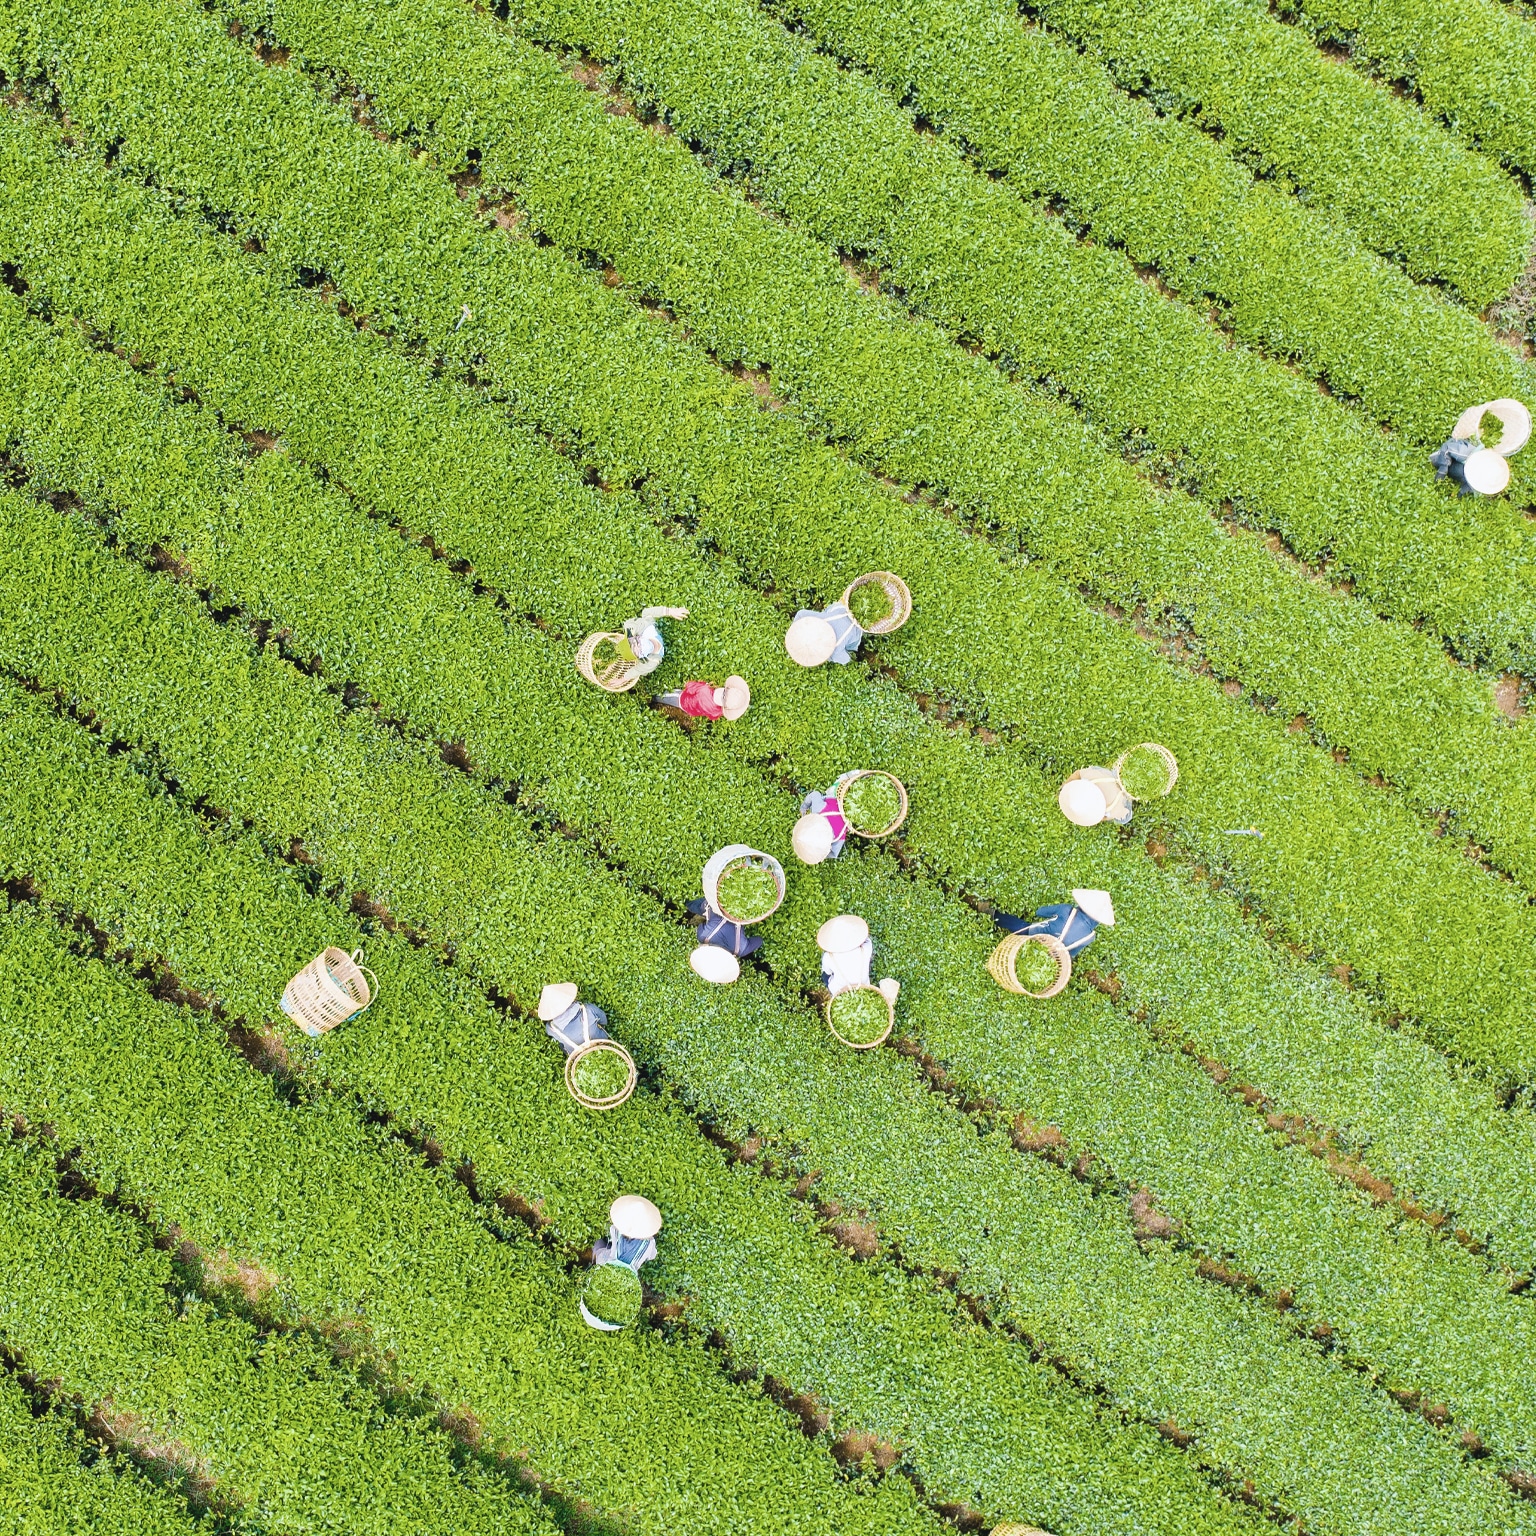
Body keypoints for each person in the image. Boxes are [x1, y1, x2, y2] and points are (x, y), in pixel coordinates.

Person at [993, 889, 1115, 958]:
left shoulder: (1066, 909)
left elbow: (1040, 912)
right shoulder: (1090, 937)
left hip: (1035, 936)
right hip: (1052, 956)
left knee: (1022, 927)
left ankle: (993, 914)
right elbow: (1070, 954)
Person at [537, 981, 612, 1057]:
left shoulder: (551, 1028)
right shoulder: (587, 1009)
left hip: (579, 1057)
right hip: (604, 1043)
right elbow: (604, 1019)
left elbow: (560, 1046)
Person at [592, 1194, 663, 1270]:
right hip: (629, 1272)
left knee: (599, 1243)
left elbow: (613, 1231)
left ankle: (593, 1262)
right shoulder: (649, 1243)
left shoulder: (615, 1230)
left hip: (609, 1264)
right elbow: (651, 1256)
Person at [616, 606, 689, 677]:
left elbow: (647, 612)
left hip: (634, 626)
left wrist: (670, 611)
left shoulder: (647, 627)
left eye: (637, 642)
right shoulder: (653, 661)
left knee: (628, 625)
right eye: (638, 652)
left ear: (638, 636)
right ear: (640, 657)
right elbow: (637, 670)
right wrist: (624, 677)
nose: (640, 646)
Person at [785, 601, 862, 667]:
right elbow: (800, 614)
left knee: (853, 643)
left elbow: (846, 659)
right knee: (829, 610)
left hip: (857, 627)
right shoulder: (809, 617)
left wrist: (830, 657)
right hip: (841, 609)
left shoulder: (835, 652)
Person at [685, 898, 764, 959]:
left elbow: (759, 940)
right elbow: (701, 925)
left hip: (742, 910)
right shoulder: (702, 937)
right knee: (693, 906)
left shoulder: (740, 950)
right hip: (718, 901)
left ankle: (687, 903)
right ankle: (687, 903)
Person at [1429, 437, 1510, 496]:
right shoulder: (1464, 453)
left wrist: (1459, 493)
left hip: (1465, 470)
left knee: (1469, 487)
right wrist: (1443, 468)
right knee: (1436, 460)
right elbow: (1446, 448)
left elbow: (1474, 485)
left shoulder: (1487, 480)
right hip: (1448, 456)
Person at [791, 785, 850, 864]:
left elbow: (834, 854)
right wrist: (804, 807)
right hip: (835, 804)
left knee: (835, 790)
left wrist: (824, 854)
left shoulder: (838, 838)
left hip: (839, 798)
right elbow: (815, 794)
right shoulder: (819, 808)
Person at [1058, 767, 1132, 828]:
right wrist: (1067, 785)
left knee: (1125, 818)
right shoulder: (1091, 775)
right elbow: (1077, 773)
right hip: (1108, 777)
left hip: (1122, 797)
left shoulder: (1112, 809)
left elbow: (1103, 818)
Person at [653, 674, 750, 720]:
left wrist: (704, 684)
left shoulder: (704, 690)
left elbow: (689, 687)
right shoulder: (718, 711)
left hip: (682, 699)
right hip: (690, 710)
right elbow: (711, 716)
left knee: (666, 695)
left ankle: (653, 697)